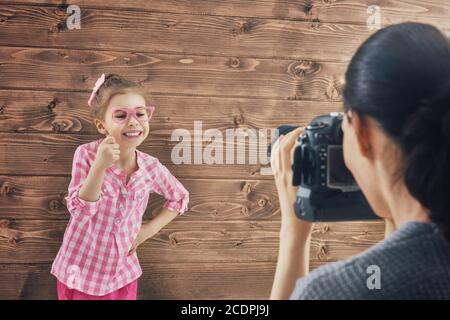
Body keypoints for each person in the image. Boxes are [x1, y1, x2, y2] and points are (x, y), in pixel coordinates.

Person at [270, 22, 450, 299]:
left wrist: (294, 232)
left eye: (345, 125)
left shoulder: (331, 292)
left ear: (363, 134)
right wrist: (393, 208)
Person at [51, 74, 189, 300]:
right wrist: (99, 167)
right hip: (80, 270)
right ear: (102, 125)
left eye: (140, 113)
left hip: (121, 274)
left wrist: (144, 233)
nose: (133, 122)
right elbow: (80, 211)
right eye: (121, 115)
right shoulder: (86, 155)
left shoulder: (150, 167)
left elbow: (180, 198)